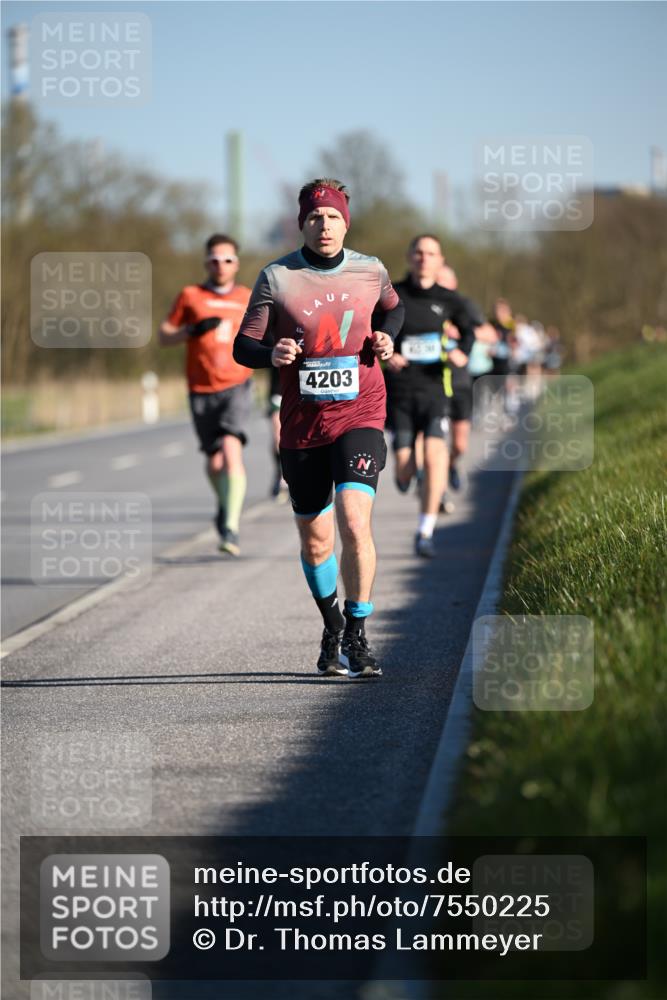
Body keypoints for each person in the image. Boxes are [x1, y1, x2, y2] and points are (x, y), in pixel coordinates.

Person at [233, 179, 403, 678]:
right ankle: (332, 625)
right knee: (315, 540)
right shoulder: (276, 277)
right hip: (303, 425)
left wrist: (386, 338)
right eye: (314, 217)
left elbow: (395, 309)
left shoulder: (371, 270)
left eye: (332, 217)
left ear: (345, 224)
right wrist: (272, 353)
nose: (323, 225)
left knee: (354, 520)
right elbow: (243, 347)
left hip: (361, 413)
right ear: (301, 224)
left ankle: (358, 632)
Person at [384, 235, 477, 557]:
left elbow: (469, 331)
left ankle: (425, 532)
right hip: (400, 390)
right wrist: (387, 354)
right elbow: (373, 331)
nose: (424, 258)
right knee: (405, 467)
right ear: (409, 257)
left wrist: (463, 351)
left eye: (431, 253)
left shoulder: (449, 299)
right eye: (419, 252)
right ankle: (408, 474)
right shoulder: (392, 294)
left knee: (436, 454)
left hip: (435, 388)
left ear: (440, 260)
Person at [159, 234, 252, 556]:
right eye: (214, 260)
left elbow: (263, 335)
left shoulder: (247, 297)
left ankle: (231, 528)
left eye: (227, 260)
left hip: (237, 384)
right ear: (206, 263)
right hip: (200, 388)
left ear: (236, 264)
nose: (220, 266)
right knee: (214, 463)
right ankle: (224, 505)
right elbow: (164, 335)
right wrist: (190, 331)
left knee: (231, 448)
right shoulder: (191, 295)